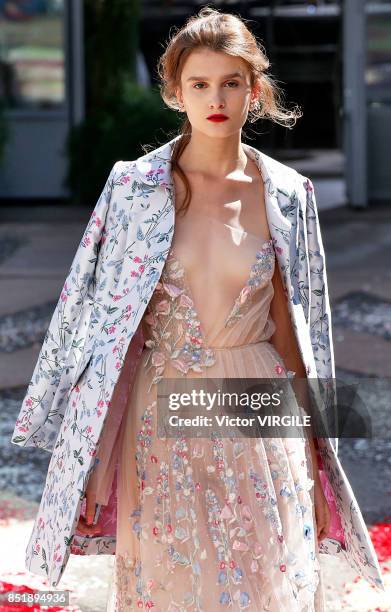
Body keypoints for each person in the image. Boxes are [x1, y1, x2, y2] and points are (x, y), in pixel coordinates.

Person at [76, 7, 330, 611]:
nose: (215, 98)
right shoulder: (134, 188)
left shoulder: (289, 194)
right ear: (175, 93)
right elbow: (106, 332)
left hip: (260, 407)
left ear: (255, 90)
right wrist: (90, 457)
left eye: (231, 82)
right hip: (162, 411)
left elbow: (302, 336)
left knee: (266, 581)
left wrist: (322, 464)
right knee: (173, 585)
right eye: (199, 84)